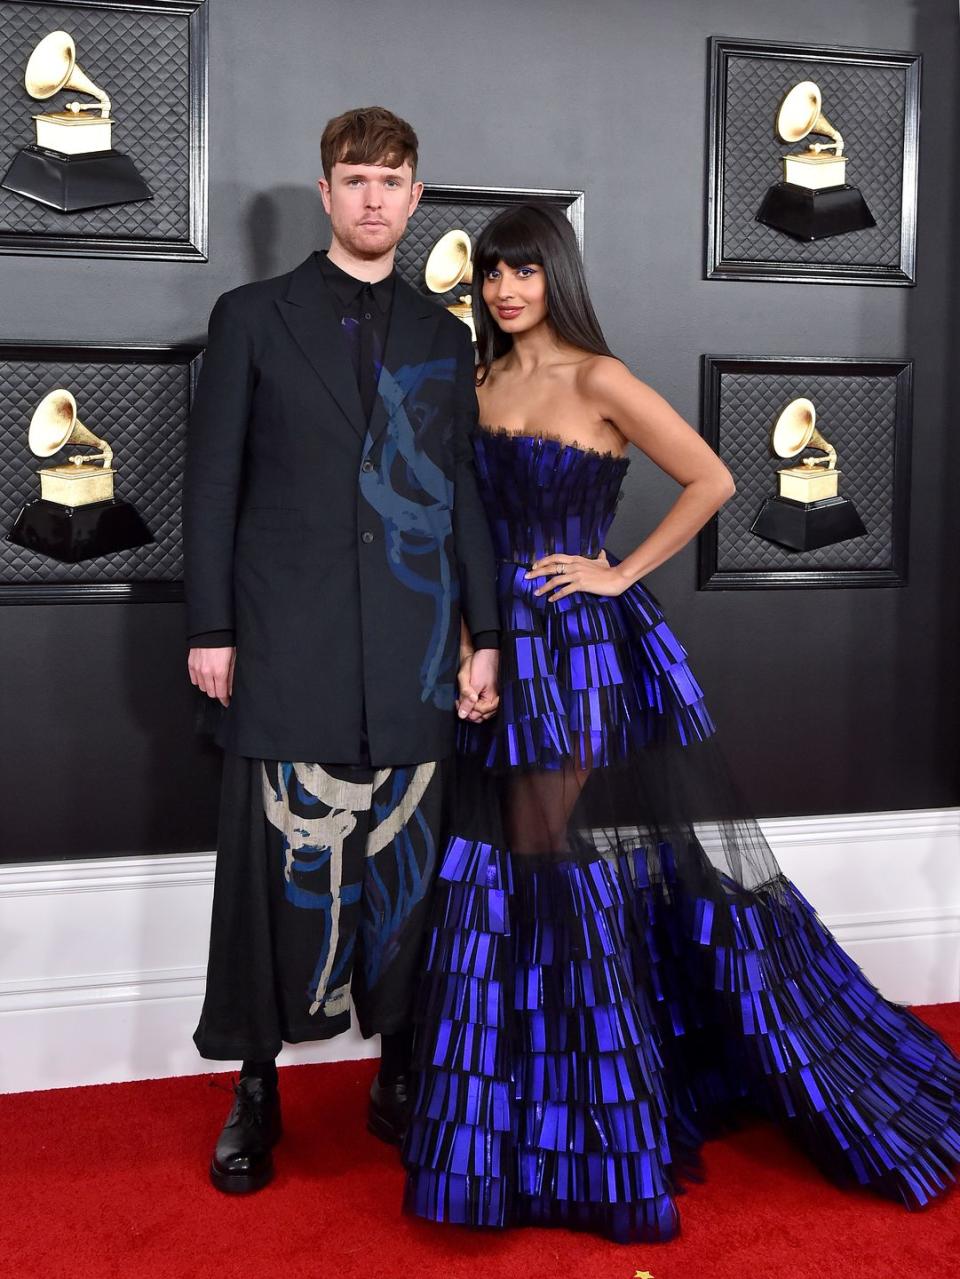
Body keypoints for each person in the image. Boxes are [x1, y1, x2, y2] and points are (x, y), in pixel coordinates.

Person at [402, 202, 960, 1242]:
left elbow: (713, 478)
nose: (506, 290)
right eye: (491, 274)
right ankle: (529, 1117)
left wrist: (617, 574)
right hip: (496, 650)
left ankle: (585, 1131)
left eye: (524, 271)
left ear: (555, 274)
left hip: (577, 656)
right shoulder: (475, 382)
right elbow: (461, 527)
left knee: (550, 862)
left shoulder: (599, 378)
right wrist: (477, 639)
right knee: (518, 871)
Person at [183, 106, 500, 1195]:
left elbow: (459, 496)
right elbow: (214, 482)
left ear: (417, 199)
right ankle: (256, 1087)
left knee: (408, 871)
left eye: (393, 181)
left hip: (414, 646)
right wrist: (210, 626)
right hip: (285, 636)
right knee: (273, 871)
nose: (374, 198)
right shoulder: (250, 319)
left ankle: (399, 1071)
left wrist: (484, 635)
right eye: (356, 178)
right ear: (325, 192)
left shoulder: (444, 337)